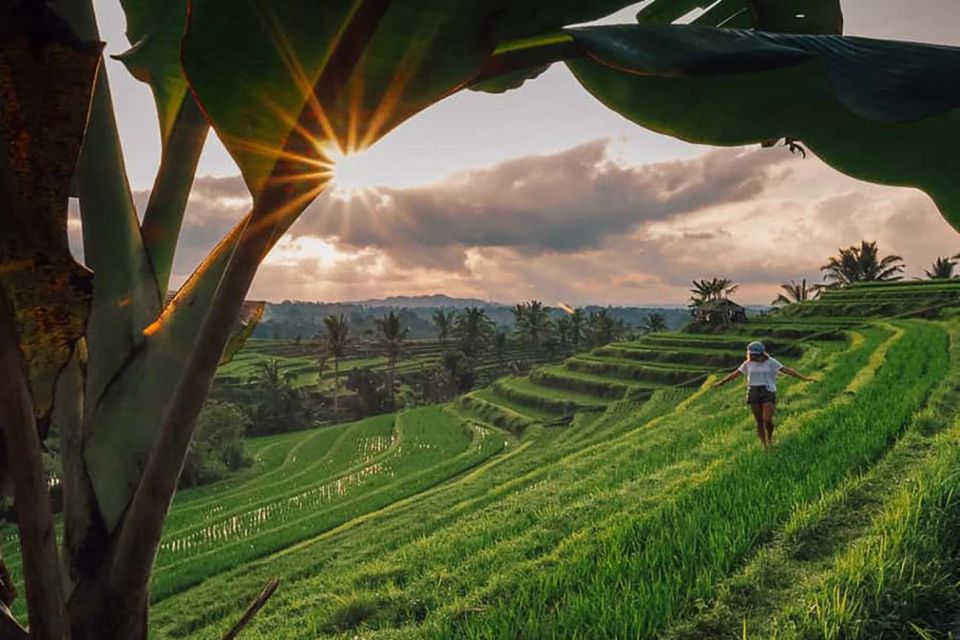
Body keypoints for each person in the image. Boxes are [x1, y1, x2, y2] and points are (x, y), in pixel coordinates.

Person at [712, 341, 815, 449]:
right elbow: (735, 374)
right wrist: (722, 382)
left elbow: (786, 370)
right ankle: (764, 444)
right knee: (759, 421)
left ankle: (770, 438)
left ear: (761, 354)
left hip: (768, 390)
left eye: (753, 354)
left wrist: (804, 378)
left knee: (767, 419)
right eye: (750, 354)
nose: (751, 356)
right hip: (753, 391)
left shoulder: (771, 362)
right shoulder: (747, 363)